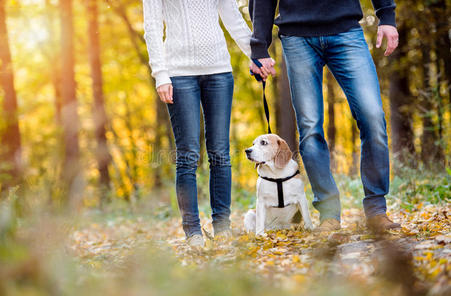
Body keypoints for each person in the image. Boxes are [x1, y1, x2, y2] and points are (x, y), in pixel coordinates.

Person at [249, 0, 401, 232]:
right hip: (296, 36)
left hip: (346, 30)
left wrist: (387, 16)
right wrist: (259, 46)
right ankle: (329, 215)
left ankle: (376, 211)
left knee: (373, 116)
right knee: (310, 130)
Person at [143, 0, 252, 246]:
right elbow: (151, 26)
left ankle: (222, 228)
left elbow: (232, 16)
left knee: (220, 154)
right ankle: (193, 232)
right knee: (188, 156)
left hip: (219, 71)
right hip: (178, 74)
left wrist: (256, 55)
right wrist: (160, 73)